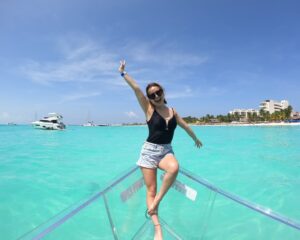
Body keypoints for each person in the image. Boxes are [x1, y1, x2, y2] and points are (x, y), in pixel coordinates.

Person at [119, 60, 202, 240]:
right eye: (152, 95)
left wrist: (195, 138)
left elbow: (185, 125)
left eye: (158, 92)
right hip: (149, 152)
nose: (156, 96)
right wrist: (123, 73)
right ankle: (158, 229)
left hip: (166, 151)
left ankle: (156, 203)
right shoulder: (149, 109)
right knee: (151, 190)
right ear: (149, 98)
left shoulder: (172, 111)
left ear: (163, 92)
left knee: (174, 168)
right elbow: (137, 90)